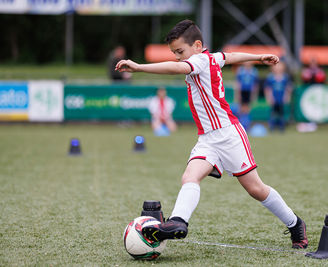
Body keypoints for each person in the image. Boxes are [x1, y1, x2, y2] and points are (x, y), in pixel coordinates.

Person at [115, 20, 308, 249]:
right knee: (190, 177)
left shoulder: (197, 61)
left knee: (255, 189)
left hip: (228, 134)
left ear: (197, 45)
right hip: (207, 139)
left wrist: (139, 67)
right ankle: (178, 222)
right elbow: (230, 56)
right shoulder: (210, 58)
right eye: (174, 53)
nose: (178, 57)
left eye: (180, 52)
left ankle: (295, 223)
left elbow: (177, 68)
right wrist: (257, 57)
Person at [264, 62, 292, 132]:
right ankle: (272, 127)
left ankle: (281, 127)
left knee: (281, 113)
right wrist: (269, 97)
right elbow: (268, 89)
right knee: (273, 113)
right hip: (274, 98)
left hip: (281, 98)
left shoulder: (285, 77)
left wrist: (287, 96)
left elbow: (288, 88)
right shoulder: (270, 77)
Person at [234, 62, 259, 130]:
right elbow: (238, 83)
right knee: (240, 108)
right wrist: (237, 93)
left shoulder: (254, 71)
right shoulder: (240, 71)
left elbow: (255, 84)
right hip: (242, 91)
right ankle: (240, 124)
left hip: (249, 92)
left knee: (247, 108)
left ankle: (247, 125)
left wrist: (254, 94)